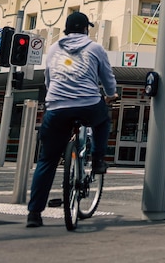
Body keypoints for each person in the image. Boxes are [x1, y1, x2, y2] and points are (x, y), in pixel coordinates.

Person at [26, 12, 118, 228]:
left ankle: (34, 214)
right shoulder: (95, 48)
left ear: (67, 29)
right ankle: (97, 160)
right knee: (103, 120)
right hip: (88, 104)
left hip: (57, 106)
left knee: (47, 160)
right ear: (86, 29)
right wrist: (111, 94)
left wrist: (58, 97)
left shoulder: (54, 49)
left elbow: (49, 79)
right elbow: (107, 78)